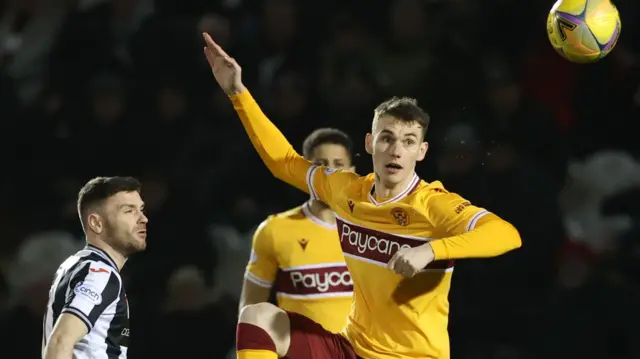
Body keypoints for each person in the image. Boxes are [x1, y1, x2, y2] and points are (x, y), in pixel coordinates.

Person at [203, 33, 522, 359]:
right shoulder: (347, 190)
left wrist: (431, 250)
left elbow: (507, 234)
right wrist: (236, 92)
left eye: (409, 141)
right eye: (387, 138)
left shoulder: (433, 204)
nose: (396, 150)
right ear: (370, 143)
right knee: (259, 318)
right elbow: (283, 163)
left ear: (422, 152)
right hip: (352, 349)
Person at [240, 128, 356, 334]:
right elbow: (250, 311)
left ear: (352, 171)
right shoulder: (275, 230)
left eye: (338, 165)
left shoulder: (372, 230)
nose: (329, 173)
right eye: (320, 165)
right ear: (305, 172)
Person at [42, 176, 148, 359]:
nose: (143, 219)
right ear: (96, 223)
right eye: (129, 211)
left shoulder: (74, 265)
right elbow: (60, 341)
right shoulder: (100, 273)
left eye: (141, 209)